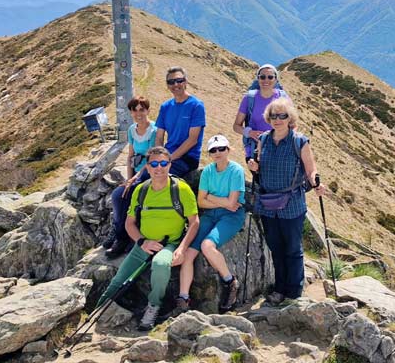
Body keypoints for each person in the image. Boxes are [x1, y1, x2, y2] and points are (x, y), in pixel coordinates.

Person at [97, 146, 199, 330]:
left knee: (160, 265)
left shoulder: (181, 189)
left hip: (169, 244)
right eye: (153, 163)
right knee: (118, 280)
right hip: (143, 243)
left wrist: (182, 249)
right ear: (148, 167)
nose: (158, 167)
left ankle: (153, 306)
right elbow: (129, 223)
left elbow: (194, 222)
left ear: (169, 164)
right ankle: (98, 310)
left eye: (163, 163)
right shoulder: (141, 190)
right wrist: (143, 242)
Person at [246, 98, 327, 304]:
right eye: (273, 116)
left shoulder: (300, 141)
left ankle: (293, 291)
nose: (278, 119)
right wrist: (254, 166)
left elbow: (311, 169)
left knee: (292, 248)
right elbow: (259, 167)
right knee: (275, 247)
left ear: (290, 118)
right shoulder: (263, 139)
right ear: (268, 118)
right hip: (268, 202)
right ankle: (279, 287)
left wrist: (316, 182)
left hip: (292, 203)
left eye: (282, 116)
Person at [175, 134, 246, 314]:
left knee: (207, 245)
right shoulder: (207, 171)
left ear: (228, 150)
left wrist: (211, 198)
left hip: (232, 216)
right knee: (189, 253)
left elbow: (232, 205)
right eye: (213, 150)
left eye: (221, 148)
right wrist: (222, 201)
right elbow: (201, 202)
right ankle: (183, 298)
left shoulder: (236, 170)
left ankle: (230, 281)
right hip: (211, 214)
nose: (218, 153)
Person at [105, 96, 159, 257]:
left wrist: (135, 179)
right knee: (119, 195)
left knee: (126, 195)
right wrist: (129, 178)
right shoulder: (131, 130)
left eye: (142, 109)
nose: (138, 113)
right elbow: (130, 156)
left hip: (149, 173)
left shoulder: (154, 131)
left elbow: (152, 158)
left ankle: (121, 238)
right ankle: (118, 231)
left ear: (148, 110)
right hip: (136, 173)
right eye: (134, 110)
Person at [155, 66, 206, 178]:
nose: (176, 85)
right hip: (167, 156)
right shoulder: (165, 107)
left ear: (185, 82)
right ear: (167, 85)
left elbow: (192, 140)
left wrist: (170, 159)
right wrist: (160, 156)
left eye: (179, 80)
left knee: (160, 178)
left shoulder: (196, 105)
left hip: (188, 158)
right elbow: (159, 137)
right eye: (171, 82)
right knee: (140, 179)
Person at [232, 63, 287, 160]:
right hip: (254, 151)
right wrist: (250, 133)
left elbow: (293, 124)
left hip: (279, 149)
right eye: (262, 77)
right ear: (258, 79)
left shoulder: (283, 97)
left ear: (275, 79)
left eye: (270, 77)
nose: (266, 80)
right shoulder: (249, 98)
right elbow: (236, 126)